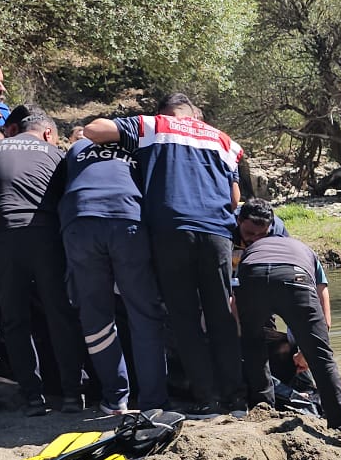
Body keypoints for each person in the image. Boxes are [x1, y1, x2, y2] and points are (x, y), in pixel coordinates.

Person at [81, 92, 245, 413]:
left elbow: (94, 130)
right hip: (216, 234)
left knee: (184, 318)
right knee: (220, 317)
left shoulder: (153, 126)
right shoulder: (224, 140)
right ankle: (236, 397)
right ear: (195, 114)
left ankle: (206, 398)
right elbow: (234, 199)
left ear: (164, 112)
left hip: (171, 231)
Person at [0, 104, 85, 415]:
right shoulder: (54, 155)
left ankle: (33, 397)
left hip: (3, 239)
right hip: (46, 238)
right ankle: (72, 394)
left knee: (15, 319)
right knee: (59, 314)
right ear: (48, 132)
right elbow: (67, 202)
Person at [57, 117, 167, 414]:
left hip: (79, 220)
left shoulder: (76, 148)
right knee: (144, 312)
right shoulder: (138, 150)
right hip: (128, 218)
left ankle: (115, 398)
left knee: (96, 316)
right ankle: (153, 402)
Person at [234, 199, 341, 430]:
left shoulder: (251, 249)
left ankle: (263, 410)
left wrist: (240, 329)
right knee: (322, 358)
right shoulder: (302, 249)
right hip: (295, 276)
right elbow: (321, 296)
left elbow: (236, 302)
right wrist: (308, 350)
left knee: (253, 347)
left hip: (252, 274)